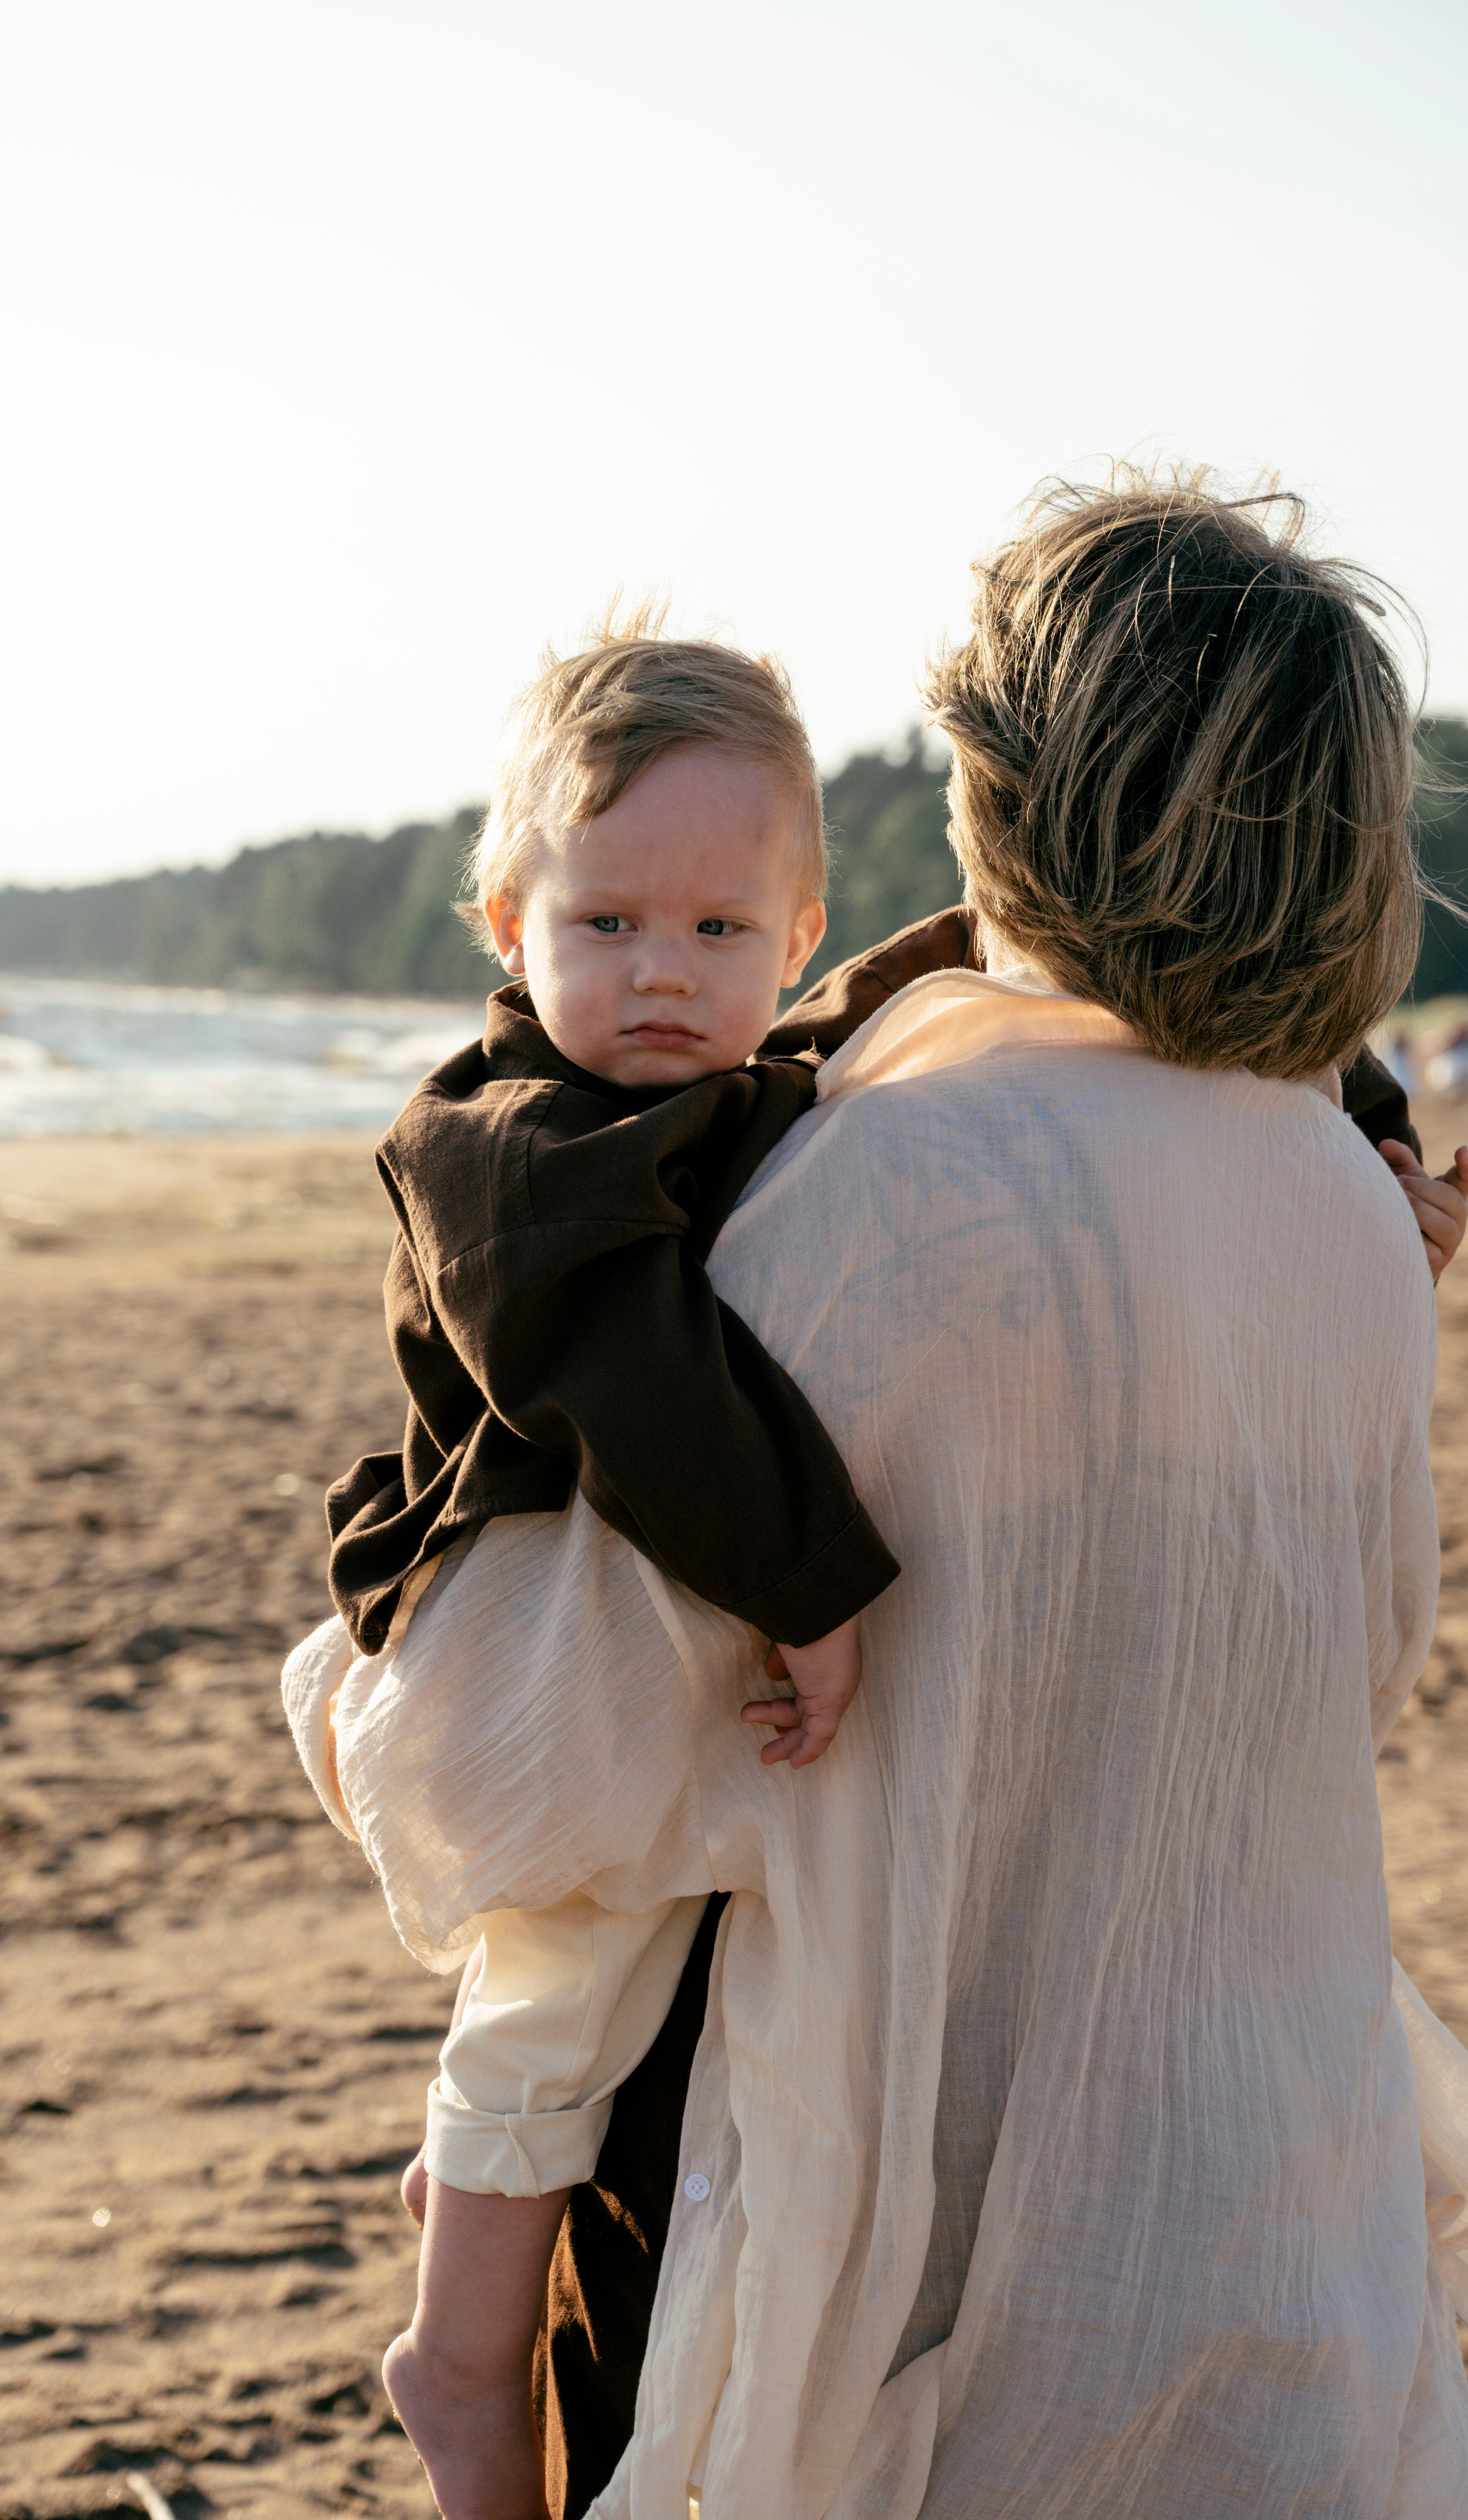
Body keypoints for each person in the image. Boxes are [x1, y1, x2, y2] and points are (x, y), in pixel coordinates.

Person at [289, 470, 1468, 2519]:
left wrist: (346, 1671)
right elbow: (1351, 1662)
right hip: (1260, 2218)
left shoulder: (870, 1193)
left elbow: (504, 1779)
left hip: (886, 2250)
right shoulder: (1350, 1215)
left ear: (1006, 797)